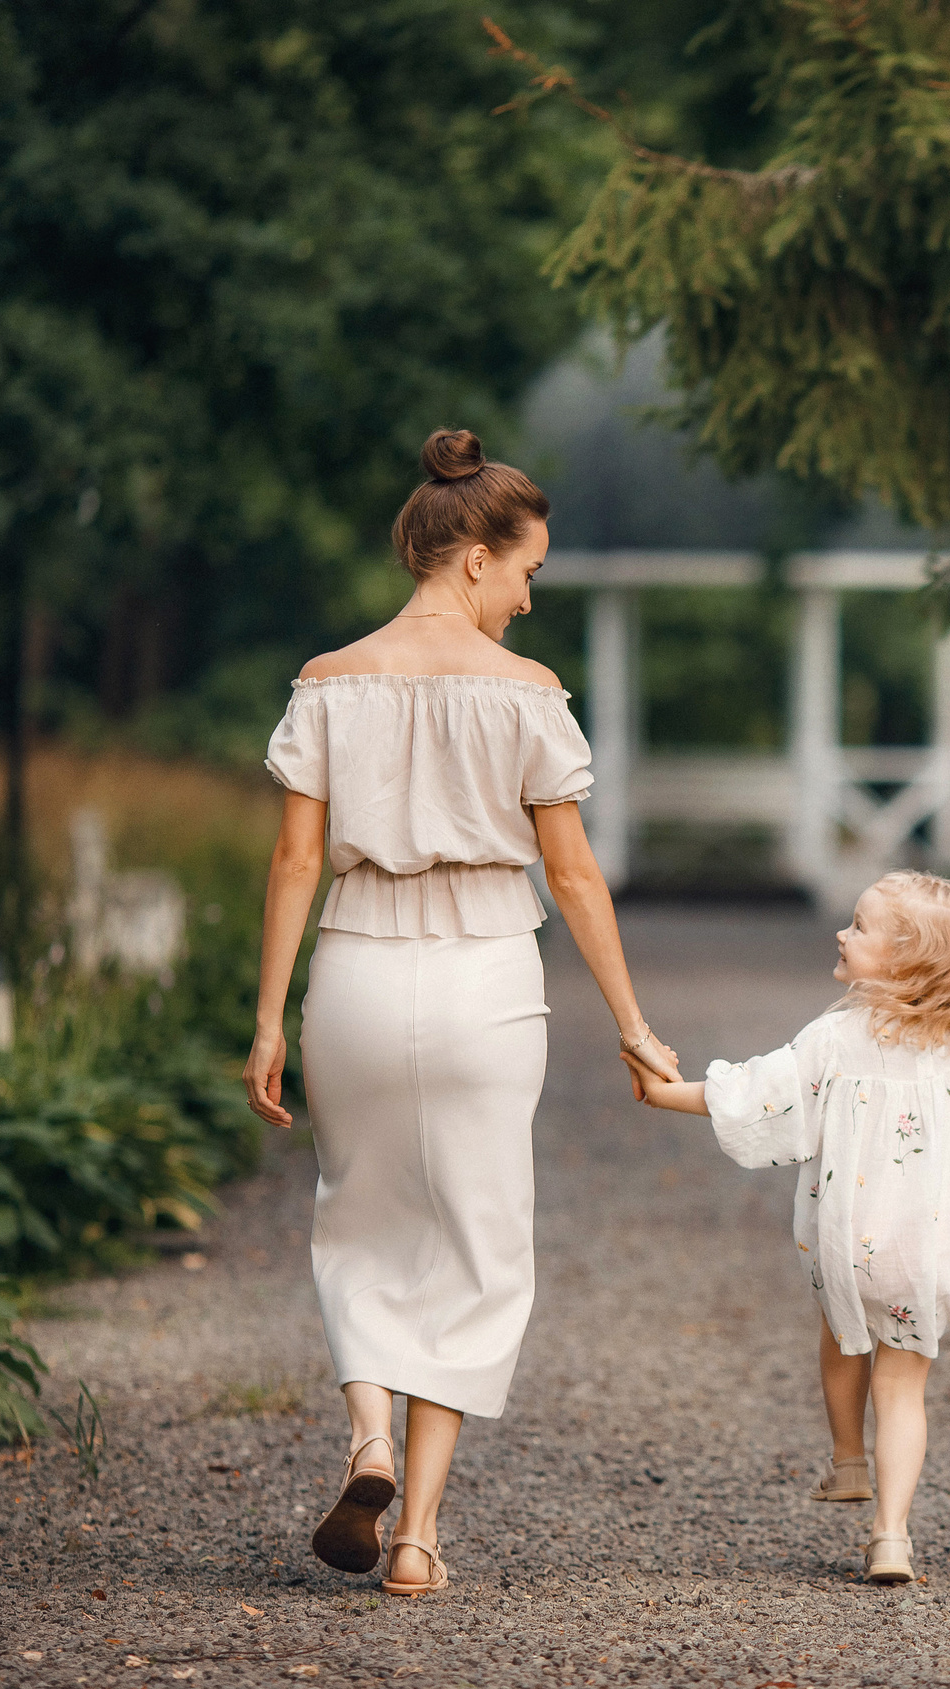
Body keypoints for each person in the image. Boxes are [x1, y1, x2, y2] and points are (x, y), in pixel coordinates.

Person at [244, 428, 681, 1597]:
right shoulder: (528, 697)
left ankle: (367, 1440)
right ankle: (421, 1539)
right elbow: (574, 877)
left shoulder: (328, 681)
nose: (530, 601)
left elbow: (294, 862)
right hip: (487, 967)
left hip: (355, 967)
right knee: (480, 1247)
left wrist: (270, 1018)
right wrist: (632, 1022)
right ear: (478, 557)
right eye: (530, 571)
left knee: (358, 1220)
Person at [620, 871, 950, 1585]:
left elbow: (758, 1092)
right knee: (903, 1386)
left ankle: (846, 1460)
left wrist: (666, 1094)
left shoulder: (835, 1036)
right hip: (928, 1248)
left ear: (903, 957)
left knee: (844, 1332)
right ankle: (892, 1537)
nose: (843, 931)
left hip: (849, 1245)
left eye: (861, 925)